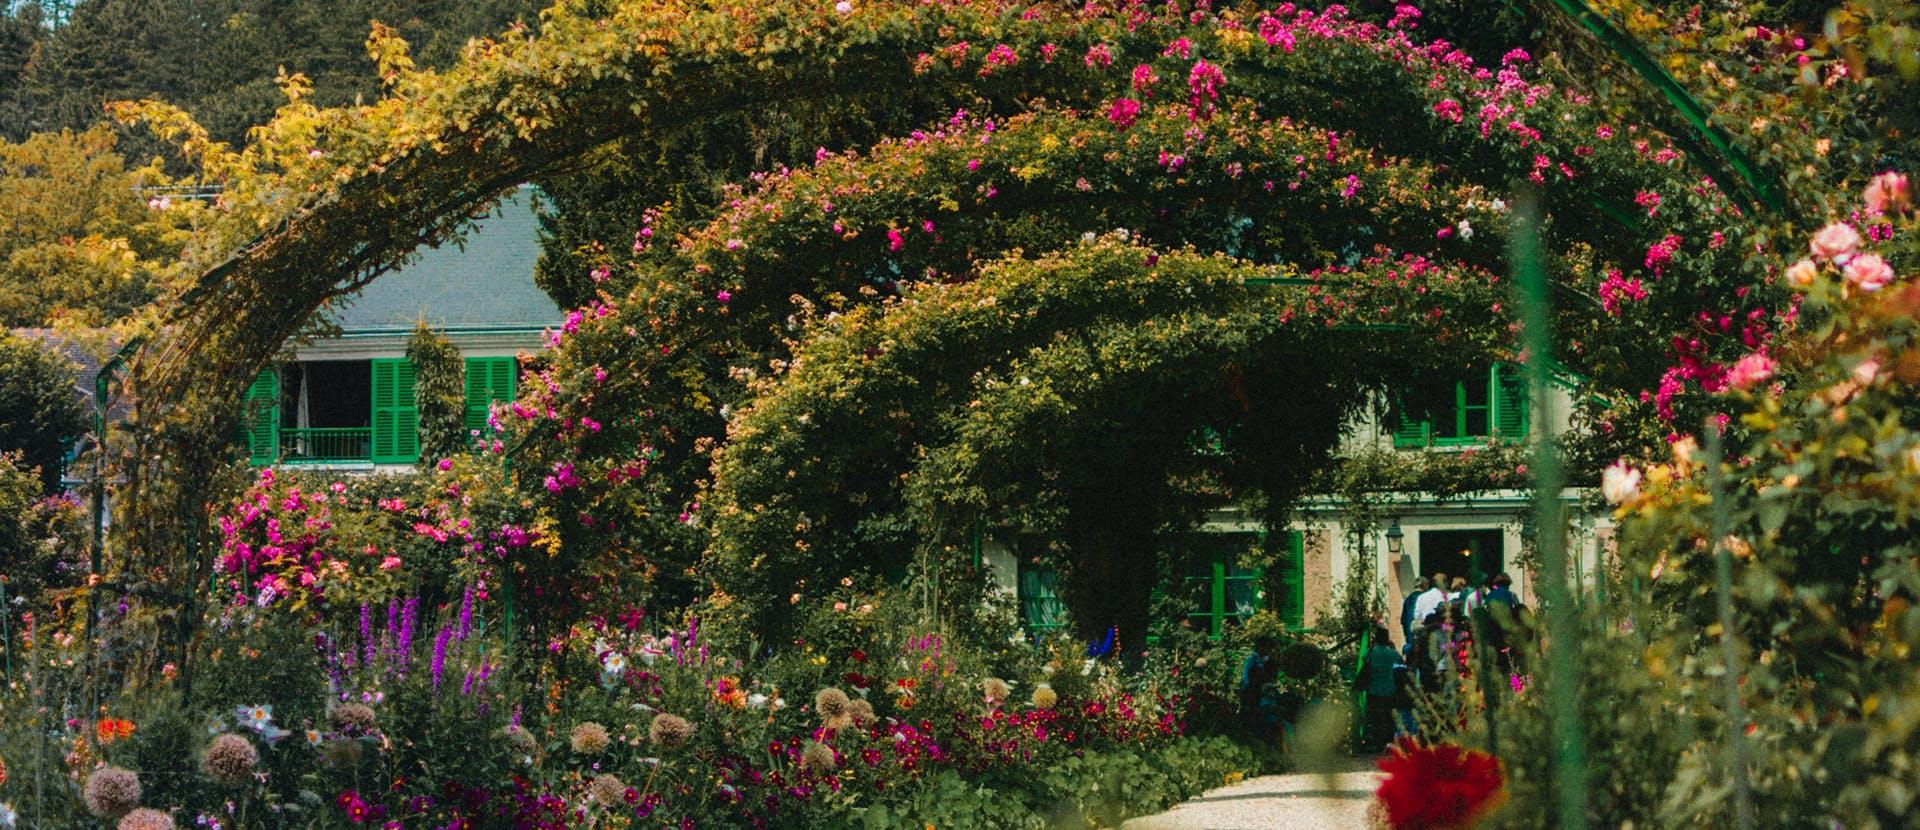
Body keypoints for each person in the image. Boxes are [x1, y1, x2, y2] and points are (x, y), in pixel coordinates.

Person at [1354, 626, 1402, 752]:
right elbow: (1400, 670)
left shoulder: (1370, 652)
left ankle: (1377, 743)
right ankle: (1388, 742)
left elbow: (1365, 667)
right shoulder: (1394, 654)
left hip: (1374, 689)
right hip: (1390, 689)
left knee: (1375, 718)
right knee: (1389, 717)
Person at [1239, 636, 1280, 739]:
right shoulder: (1251, 660)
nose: (1268, 651)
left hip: (1264, 692)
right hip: (1252, 693)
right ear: (1260, 647)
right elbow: (1245, 678)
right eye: (1267, 648)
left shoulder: (1267, 661)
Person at [1400, 577, 1430, 644]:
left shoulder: (1407, 600)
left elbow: (1403, 620)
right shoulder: (1425, 598)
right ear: (1425, 585)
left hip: (1410, 638)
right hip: (1422, 638)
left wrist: (1407, 635)